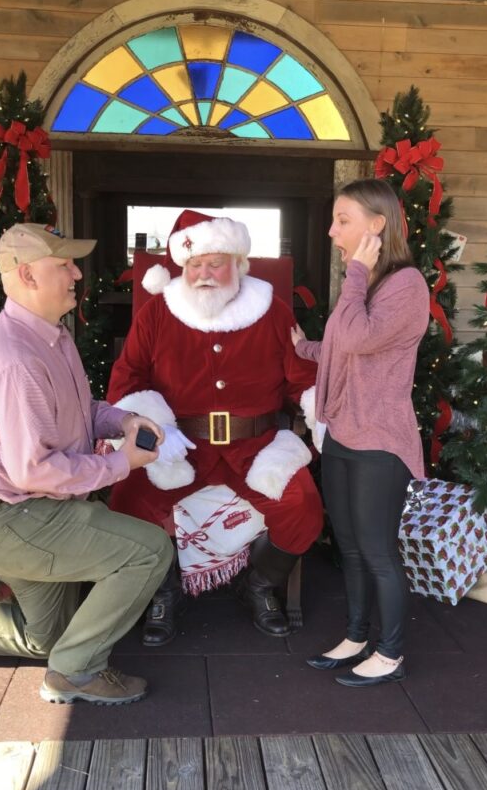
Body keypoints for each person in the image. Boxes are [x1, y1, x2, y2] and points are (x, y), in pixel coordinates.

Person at [0, 223, 173, 705]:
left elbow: (80, 410)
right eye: (64, 264)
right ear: (28, 275)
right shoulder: (16, 360)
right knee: (149, 551)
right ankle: (76, 673)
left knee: (44, 640)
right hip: (15, 516)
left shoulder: (48, 335)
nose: (76, 273)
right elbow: (35, 471)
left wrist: (124, 420)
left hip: (26, 513)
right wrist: (122, 465)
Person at [107, 209, 324, 646]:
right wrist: (150, 432)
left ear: (238, 264)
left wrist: (318, 414)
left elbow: (303, 377)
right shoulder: (157, 314)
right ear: (182, 268)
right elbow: (128, 379)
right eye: (194, 265)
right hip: (181, 446)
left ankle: (258, 586)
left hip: (255, 445)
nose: (204, 273)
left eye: (215, 262)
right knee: (126, 503)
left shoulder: (272, 310)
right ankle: (164, 590)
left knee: (303, 509)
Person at [292, 179, 429, 687]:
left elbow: (356, 335)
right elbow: (342, 348)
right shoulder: (371, 282)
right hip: (345, 434)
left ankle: (390, 653)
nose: (332, 232)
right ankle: (354, 635)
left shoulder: (405, 284)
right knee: (348, 545)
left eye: (342, 220)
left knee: (376, 549)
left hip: (380, 442)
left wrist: (354, 274)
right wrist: (305, 347)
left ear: (377, 224)